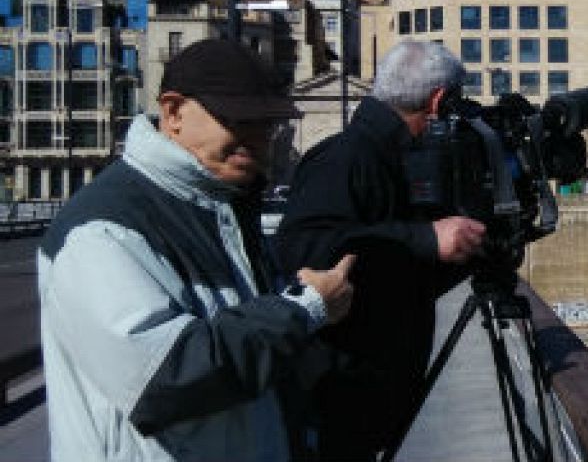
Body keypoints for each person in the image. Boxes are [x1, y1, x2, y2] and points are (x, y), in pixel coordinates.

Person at [39, 38, 356, 462]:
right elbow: (163, 377)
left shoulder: (225, 206)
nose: (257, 139)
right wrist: (303, 309)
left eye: (267, 125)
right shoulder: (101, 230)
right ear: (172, 112)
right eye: (239, 121)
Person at [275, 40, 487, 461]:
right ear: (438, 100)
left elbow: (399, 274)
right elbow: (304, 252)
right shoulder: (346, 157)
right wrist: (426, 238)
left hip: (365, 396)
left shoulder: (382, 155)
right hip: (343, 400)